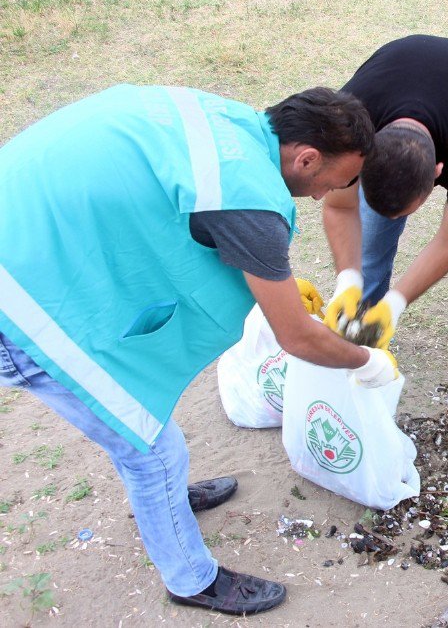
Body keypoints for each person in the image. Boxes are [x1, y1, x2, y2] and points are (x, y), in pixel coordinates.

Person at [0, 84, 399, 615]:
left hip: (29, 229)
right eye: (340, 179)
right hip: (18, 302)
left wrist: (279, 284)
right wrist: (367, 360)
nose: (331, 193)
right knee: (153, 451)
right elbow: (295, 337)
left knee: (144, 430)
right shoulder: (250, 203)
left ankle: (165, 505)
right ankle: (191, 580)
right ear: (306, 157)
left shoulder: (228, 122)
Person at [322, 35, 448, 437]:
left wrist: (395, 303)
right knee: (371, 245)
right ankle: (360, 350)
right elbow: (338, 207)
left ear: (438, 174)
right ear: (362, 163)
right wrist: (348, 281)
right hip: (398, 75)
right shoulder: (347, 127)